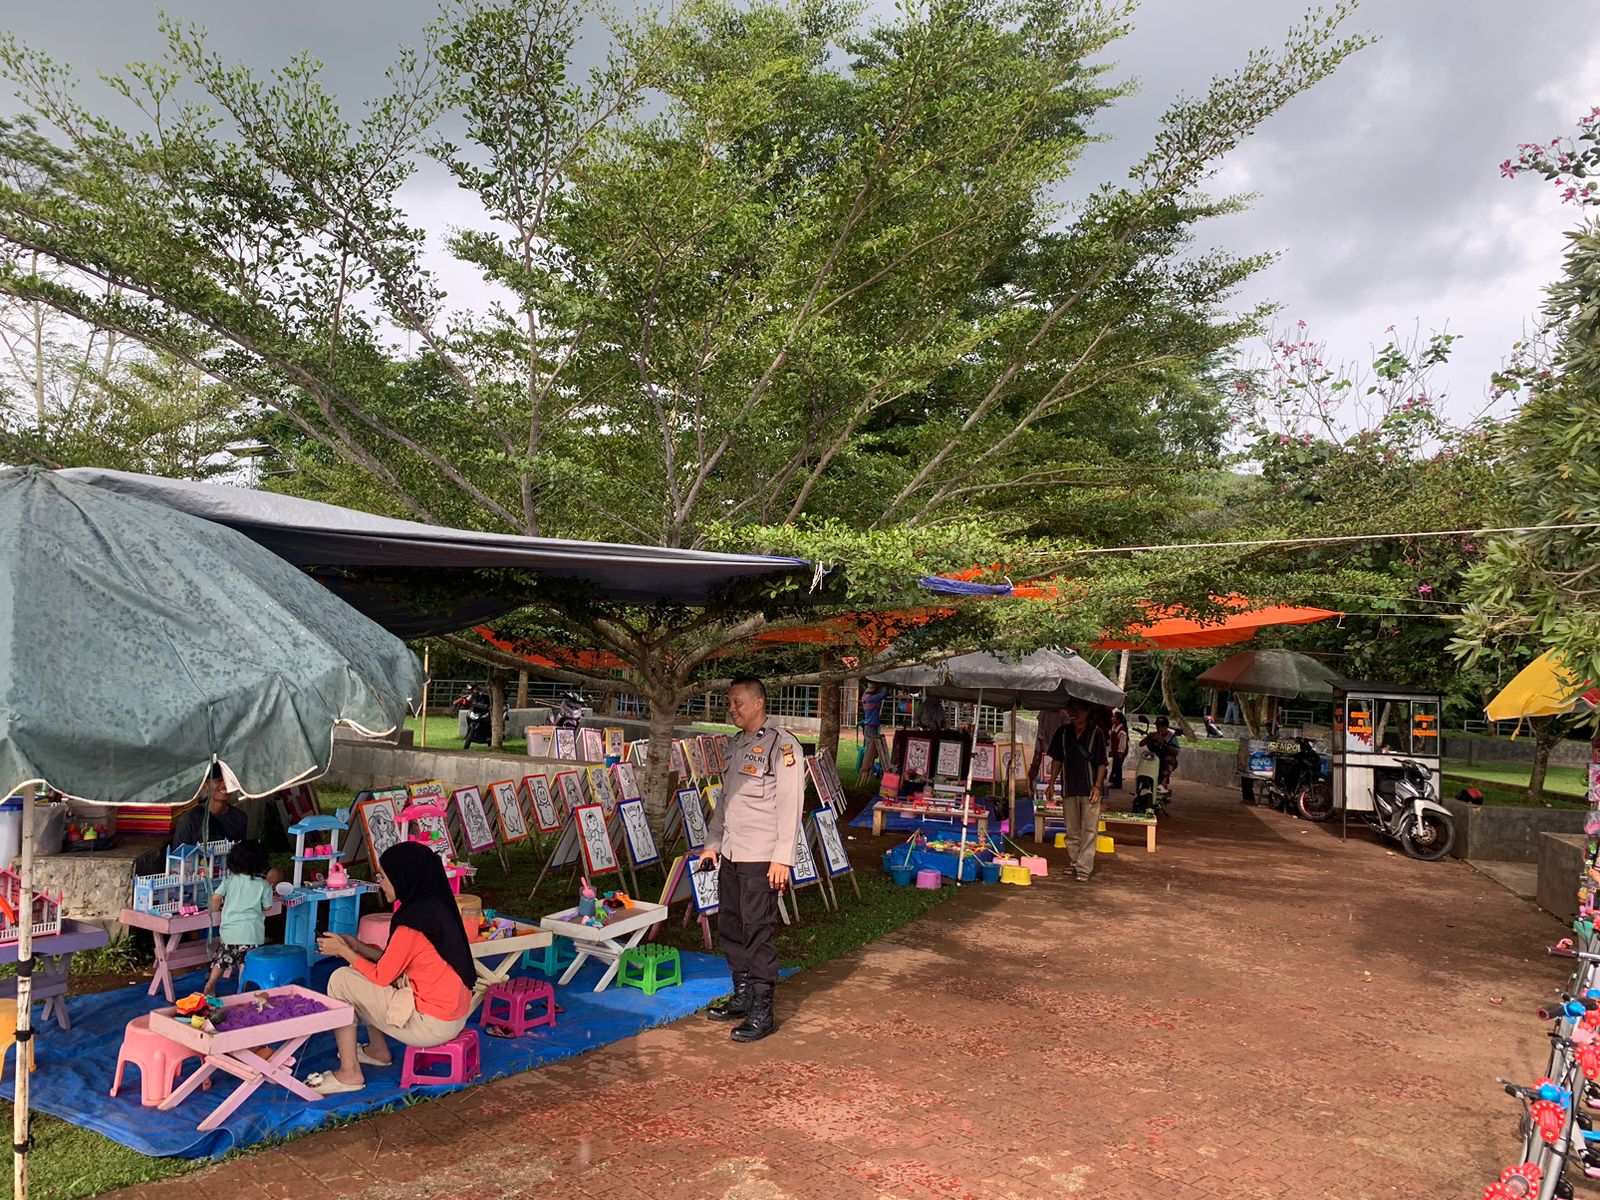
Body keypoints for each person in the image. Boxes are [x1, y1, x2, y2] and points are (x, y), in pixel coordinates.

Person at [309, 842, 477, 1094]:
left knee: (341, 979)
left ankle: (349, 1073)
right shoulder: (434, 907)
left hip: (431, 1024)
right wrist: (358, 948)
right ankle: (378, 1051)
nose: (381, 883)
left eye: (383, 877)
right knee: (356, 974)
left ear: (403, 877)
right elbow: (393, 963)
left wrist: (344, 952)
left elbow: (382, 976)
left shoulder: (413, 923)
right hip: (454, 1016)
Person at [694, 676, 805, 1043]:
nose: (732, 708)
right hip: (731, 852)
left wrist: (782, 859)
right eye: (730, 702)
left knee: (757, 931)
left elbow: (791, 806)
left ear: (758, 703)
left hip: (762, 857)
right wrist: (712, 843)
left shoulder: (782, 745)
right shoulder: (737, 744)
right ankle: (742, 996)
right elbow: (726, 801)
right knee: (732, 924)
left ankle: (763, 1010)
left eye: (737, 702)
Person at [1045, 701, 1109, 882]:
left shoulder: (1097, 733)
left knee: (1089, 829)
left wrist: (1097, 786)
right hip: (1069, 788)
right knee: (1072, 829)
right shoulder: (1063, 733)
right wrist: (1051, 783)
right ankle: (1075, 862)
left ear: (1087, 712)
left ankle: (1084, 866)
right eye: (1071, 710)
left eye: (1078, 710)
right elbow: (1057, 760)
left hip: (1090, 789)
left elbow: (1101, 763)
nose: (1074, 713)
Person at [201, 840, 274, 996]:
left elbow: (215, 898)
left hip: (229, 931)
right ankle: (241, 991)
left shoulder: (229, 880)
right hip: (252, 933)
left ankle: (211, 985)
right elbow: (267, 907)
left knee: (221, 960)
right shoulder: (263, 885)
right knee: (245, 964)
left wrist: (215, 914)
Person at [172, 763, 249, 846]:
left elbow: (240, 855)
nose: (224, 785)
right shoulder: (189, 820)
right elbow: (179, 856)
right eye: (218, 780)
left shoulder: (240, 818)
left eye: (228, 781)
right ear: (205, 787)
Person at [1027, 706, 1070, 794]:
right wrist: (1041, 740)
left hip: (1058, 741)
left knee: (1060, 761)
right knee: (1037, 761)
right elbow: (1040, 728)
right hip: (1044, 740)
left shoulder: (1063, 714)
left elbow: (1067, 728)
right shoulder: (1044, 711)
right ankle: (1030, 784)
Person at [1141, 717, 1181, 790]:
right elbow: (1141, 744)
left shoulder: (1171, 737)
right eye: (1157, 727)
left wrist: (1165, 744)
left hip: (1166, 760)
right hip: (1154, 759)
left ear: (1166, 727)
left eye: (1161, 727)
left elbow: (1176, 752)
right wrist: (1148, 737)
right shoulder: (1154, 735)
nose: (1159, 729)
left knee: (1168, 761)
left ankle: (1163, 784)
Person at [859, 681, 887, 777]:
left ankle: (871, 768)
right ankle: (867, 769)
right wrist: (886, 685)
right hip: (870, 725)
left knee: (872, 749)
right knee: (869, 749)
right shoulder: (871, 699)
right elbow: (884, 694)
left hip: (871, 725)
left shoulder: (865, 697)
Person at [1108, 710, 1130, 791]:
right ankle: (1115, 781)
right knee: (1115, 765)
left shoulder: (1121, 731)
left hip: (1120, 751)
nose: (1112, 718)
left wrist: (1120, 752)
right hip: (1116, 751)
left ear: (1118, 720)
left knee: (1117, 766)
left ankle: (1118, 783)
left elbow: (1122, 743)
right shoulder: (1114, 728)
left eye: (1114, 717)